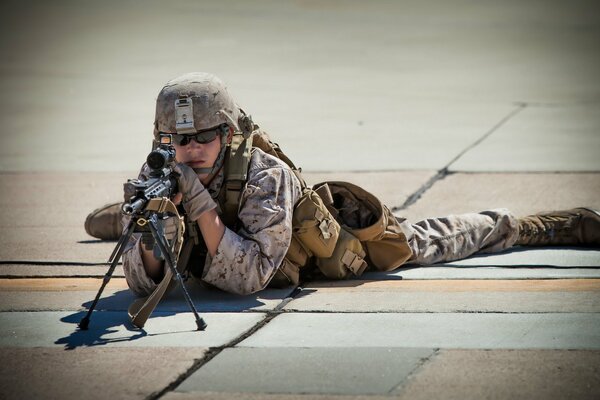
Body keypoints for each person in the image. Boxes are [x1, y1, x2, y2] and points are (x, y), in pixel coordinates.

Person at [85, 72, 600, 300]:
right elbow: (142, 283)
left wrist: (197, 205)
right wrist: (152, 236)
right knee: (131, 219)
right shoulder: (165, 167)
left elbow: (251, 279)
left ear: (227, 133)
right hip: (225, 227)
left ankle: (536, 226)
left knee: (420, 244)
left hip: (326, 251)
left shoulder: (265, 175)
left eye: (201, 137)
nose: (188, 150)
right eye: (176, 139)